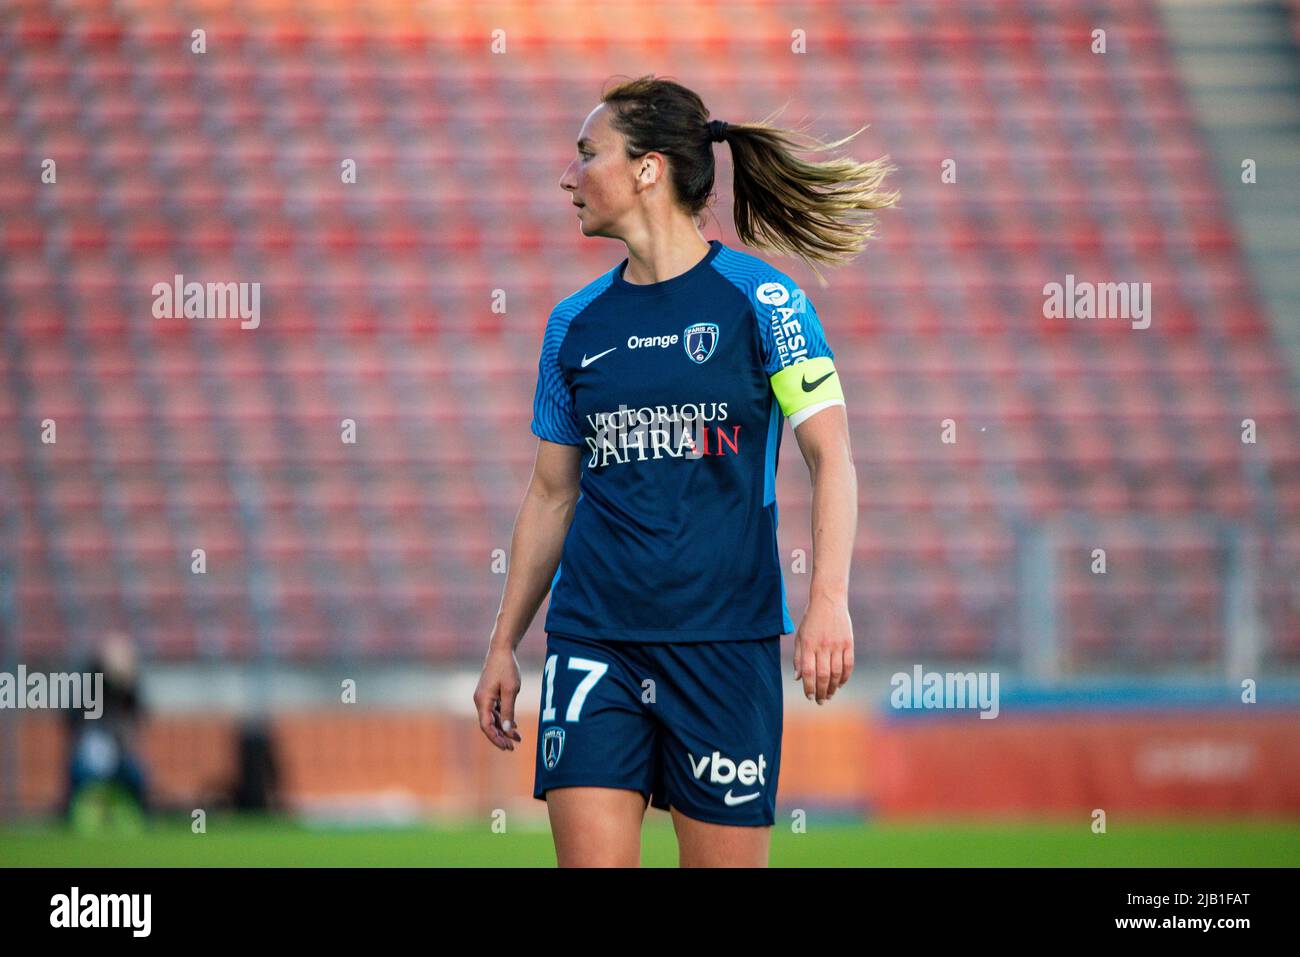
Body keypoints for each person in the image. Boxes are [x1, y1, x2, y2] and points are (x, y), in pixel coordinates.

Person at [473, 74, 897, 867]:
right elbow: (551, 494)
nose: (568, 176)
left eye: (586, 154)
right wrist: (504, 643)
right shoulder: (572, 324)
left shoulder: (765, 301)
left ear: (647, 168)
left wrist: (828, 601)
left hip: (724, 644)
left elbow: (831, 456)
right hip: (593, 638)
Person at [63, 631, 150, 822]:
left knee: (137, 776)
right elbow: (73, 718)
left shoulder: (129, 688)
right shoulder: (88, 685)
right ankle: (68, 815)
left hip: (120, 750)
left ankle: (143, 815)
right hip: (90, 748)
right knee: (79, 774)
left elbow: (138, 714)